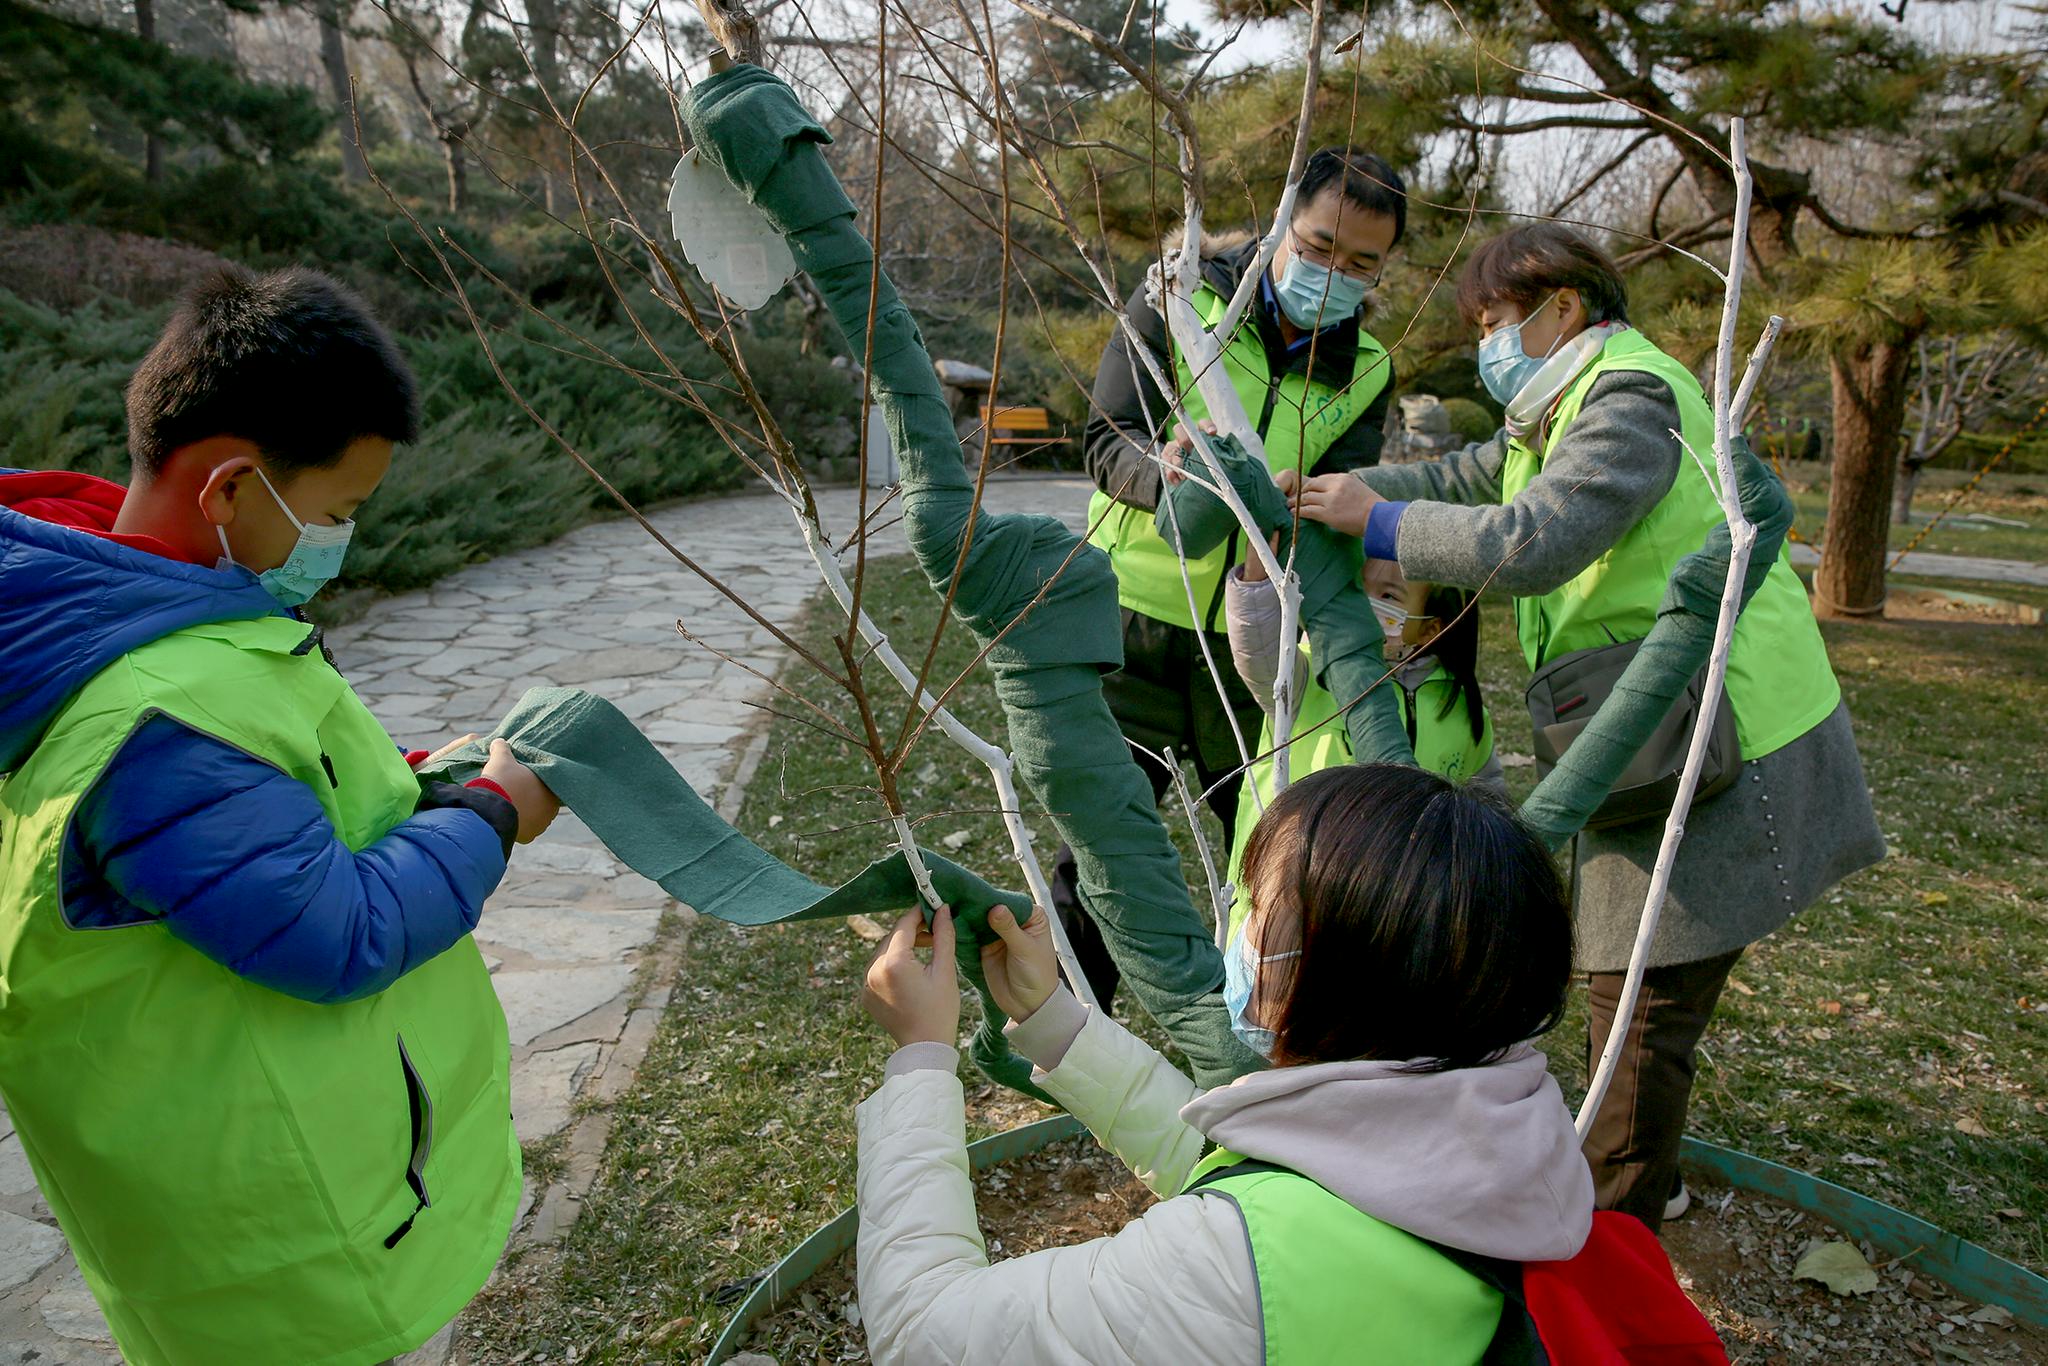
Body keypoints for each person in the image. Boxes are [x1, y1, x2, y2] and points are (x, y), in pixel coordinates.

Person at [0, 266, 560, 1365]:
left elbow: (267, 784)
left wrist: (410, 774)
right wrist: (492, 809)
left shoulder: (146, 610)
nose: (339, 538)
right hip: (266, 1244)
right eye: (337, 513)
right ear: (227, 489)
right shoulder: (155, 711)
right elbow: (333, 929)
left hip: (276, 1167)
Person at [1284, 223, 1885, 1230]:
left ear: (1562, 306)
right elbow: (1470, 478)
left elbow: (1535, 538)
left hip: (1718, 728)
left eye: (1494, 321)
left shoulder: (1630, 398)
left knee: (1639, 995)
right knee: (1629, 974)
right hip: (1646, 724)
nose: (1486, 342)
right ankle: (1630, 1185)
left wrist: (1373, 523)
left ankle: (1613, 1220)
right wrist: (1334, 492)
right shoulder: (1554, 408)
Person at [855, 764, 1594, 1362]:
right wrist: (1053, 1022)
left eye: (1254, 905)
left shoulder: (1222, 1271)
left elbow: (923, 1333)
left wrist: (920, 1059)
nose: (1237, 928)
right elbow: (1268, 1188)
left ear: (1335, 966)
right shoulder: (1504, 1138)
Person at [1056, 145, 1409, 1008]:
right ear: (1286, 223)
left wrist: (1305, 509)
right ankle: (1064, 1037)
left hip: (1249, 642)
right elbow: (1105, 438)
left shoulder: (1366, 372)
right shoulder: (1178, 298)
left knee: (1268, 849)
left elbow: (1339, 512)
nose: (1336, 273)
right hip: (1130, 622)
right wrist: (1168, 478)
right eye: (1321, 247)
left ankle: (1263, 1034)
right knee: (1100, 845)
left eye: (1363, 263)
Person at [1221, 550, 1503, 934]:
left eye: (1389, 597)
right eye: (1358, 587)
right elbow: (1256, 646)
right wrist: (1255, 576)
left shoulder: (1461, 711)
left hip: (1395, 913)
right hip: (1286, 901)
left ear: (1429, 629)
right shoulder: (1303, 671)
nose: (1365, 605)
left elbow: (1489, 807)